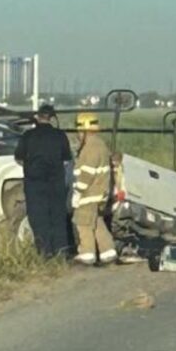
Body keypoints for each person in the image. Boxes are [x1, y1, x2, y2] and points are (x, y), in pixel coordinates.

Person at [13, 104, 72, 257]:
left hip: (35, 183)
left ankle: (44, 252)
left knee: (38, 218)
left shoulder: (28, 135)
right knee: (58, 217)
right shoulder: (60, 135)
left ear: (37, 117)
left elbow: (19, 158)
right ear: (52, 118)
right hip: (55, 183)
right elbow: (66, 160)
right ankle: (61, 251)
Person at [71, 113, 116, 265]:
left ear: (83, 130)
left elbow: (87, 173)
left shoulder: (90, 148)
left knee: (83, 222)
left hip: (90, 194)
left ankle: (87, 252)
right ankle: (108, 250)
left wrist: (78, 191)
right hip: (100, 193)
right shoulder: (100, 145)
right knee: (96, 222)